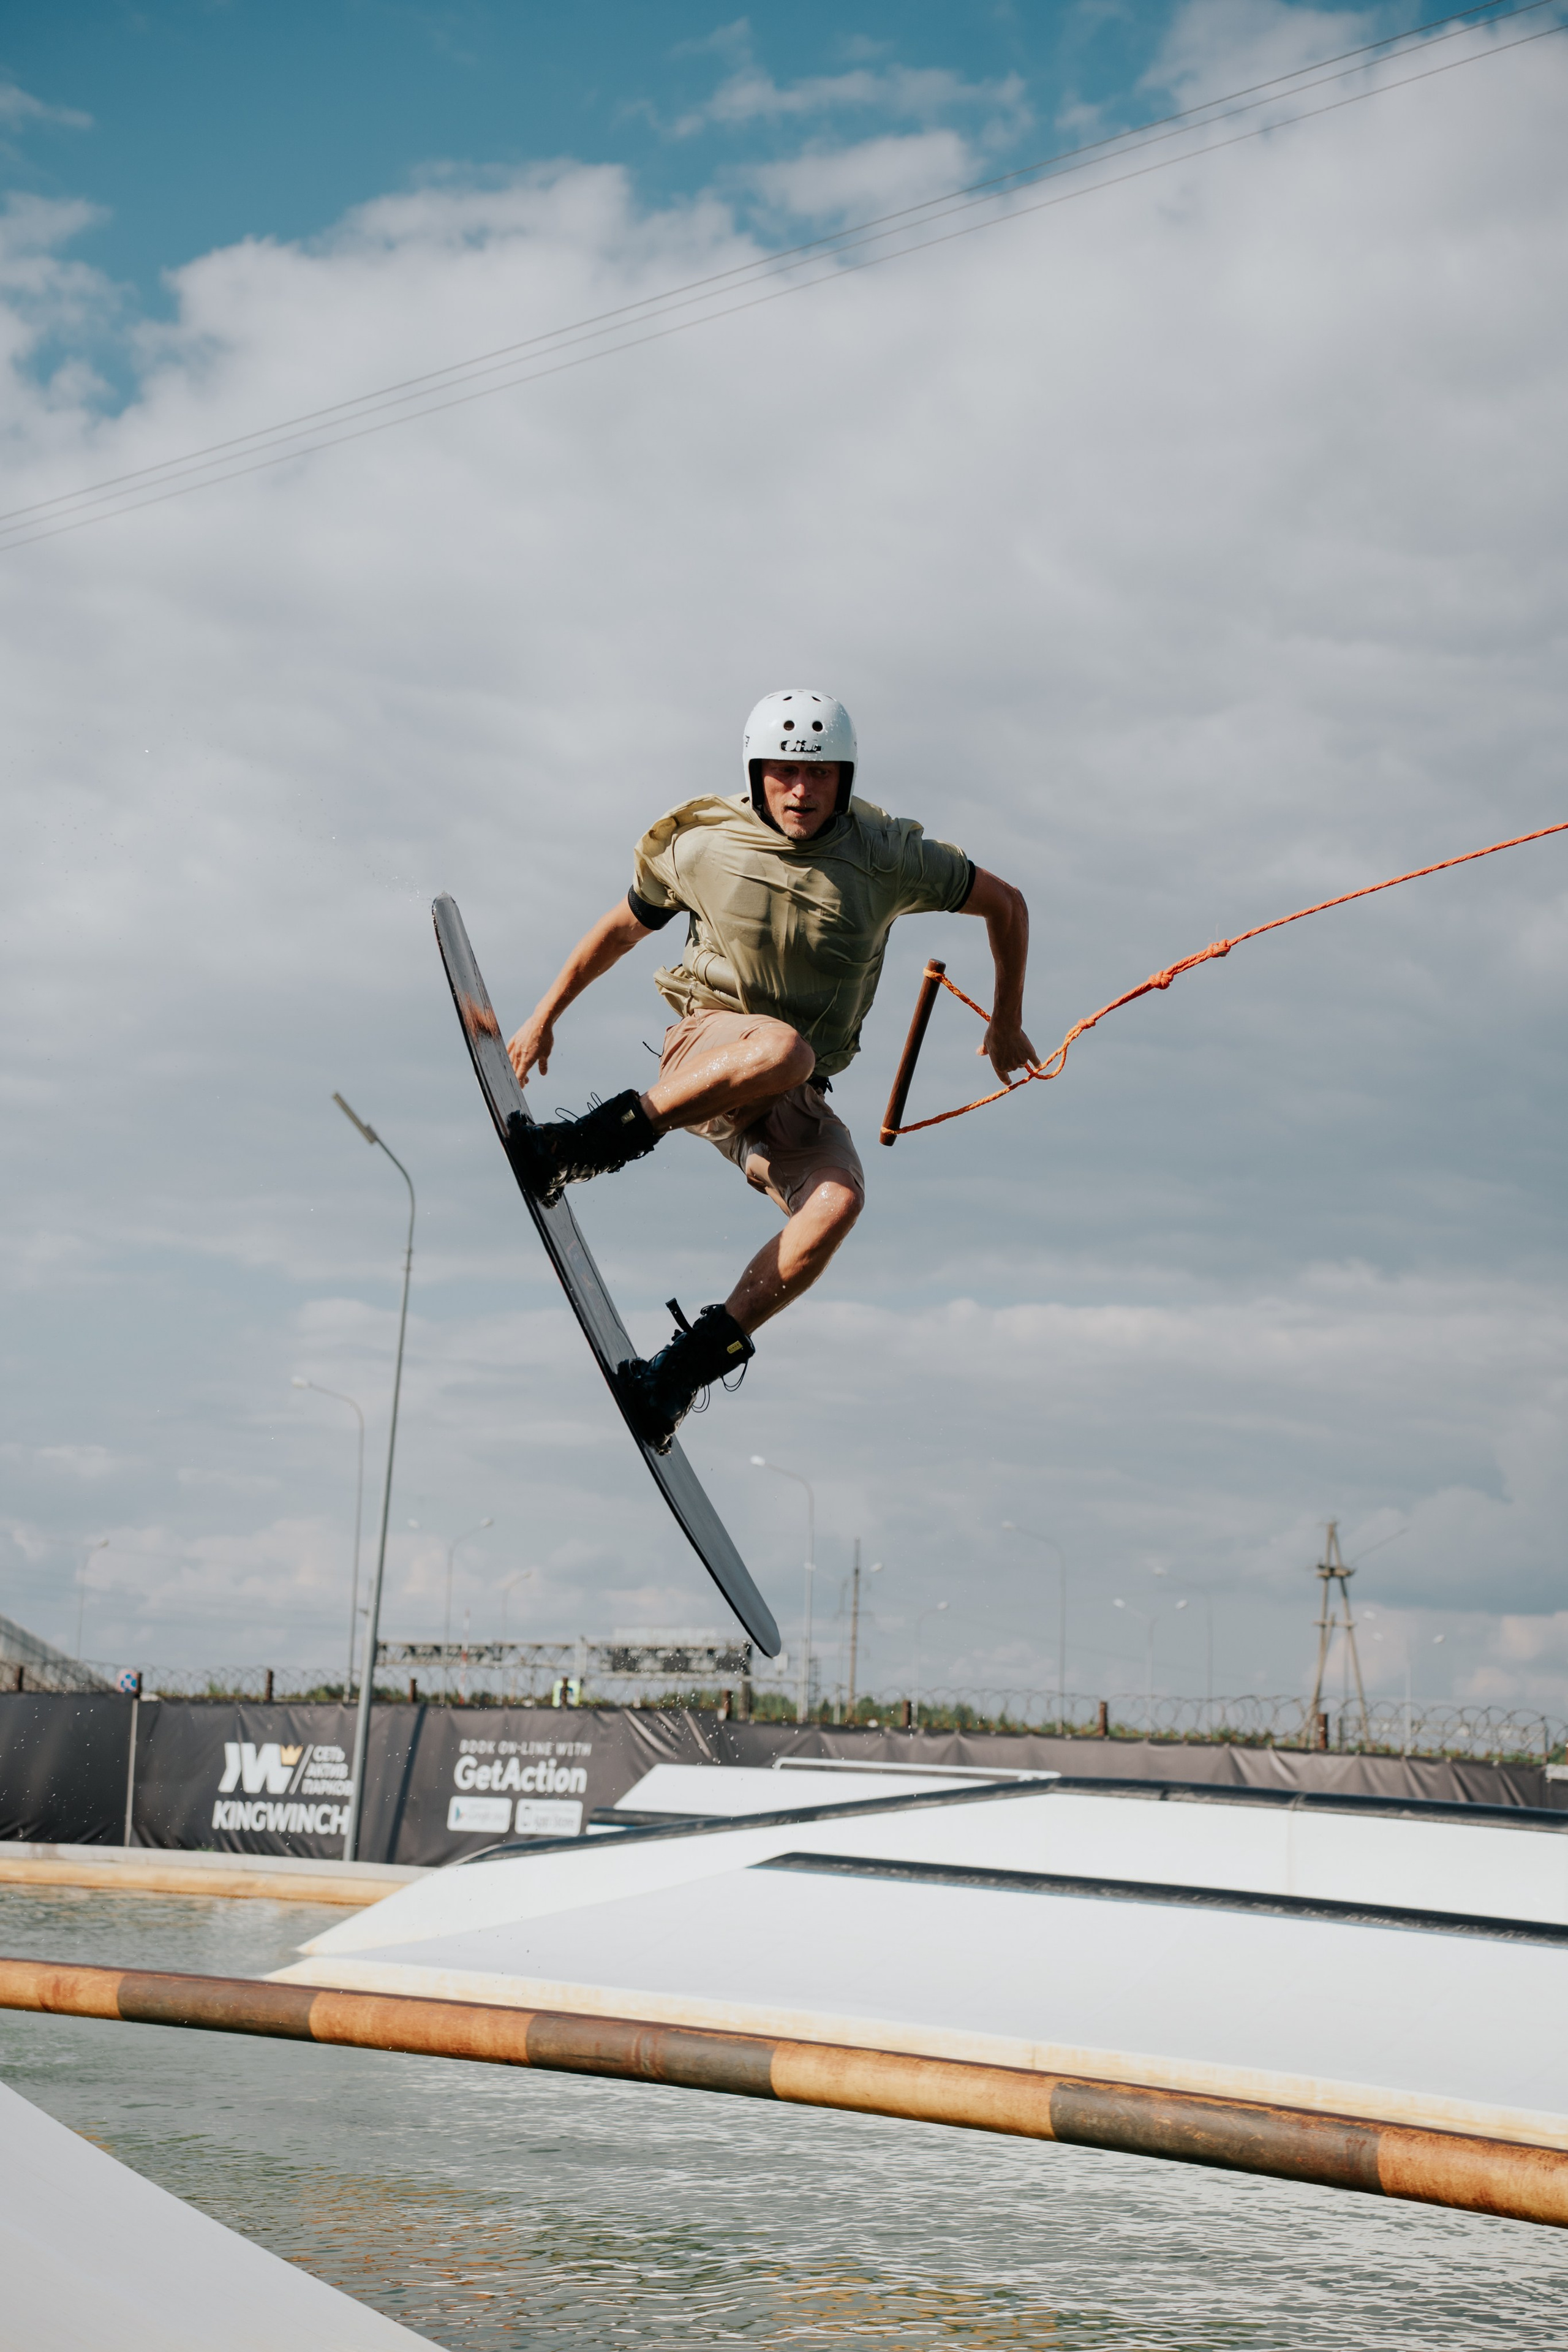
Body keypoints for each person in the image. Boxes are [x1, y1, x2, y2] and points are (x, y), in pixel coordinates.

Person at [507, 689, 1035, 1452]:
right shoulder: (702, 843)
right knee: (785, 1048)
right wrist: (543, 1015)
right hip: (709, 1047)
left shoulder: (886, 855)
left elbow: (1007, 904)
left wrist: (1007, 1018)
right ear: (757, 774)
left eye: (819, 775)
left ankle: (679, 1374)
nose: (800, 791)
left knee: (837, 1201)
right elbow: (622, 929)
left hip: (792, 1090)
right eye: (784, 773)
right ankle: (579, 1147)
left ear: (843, 780)